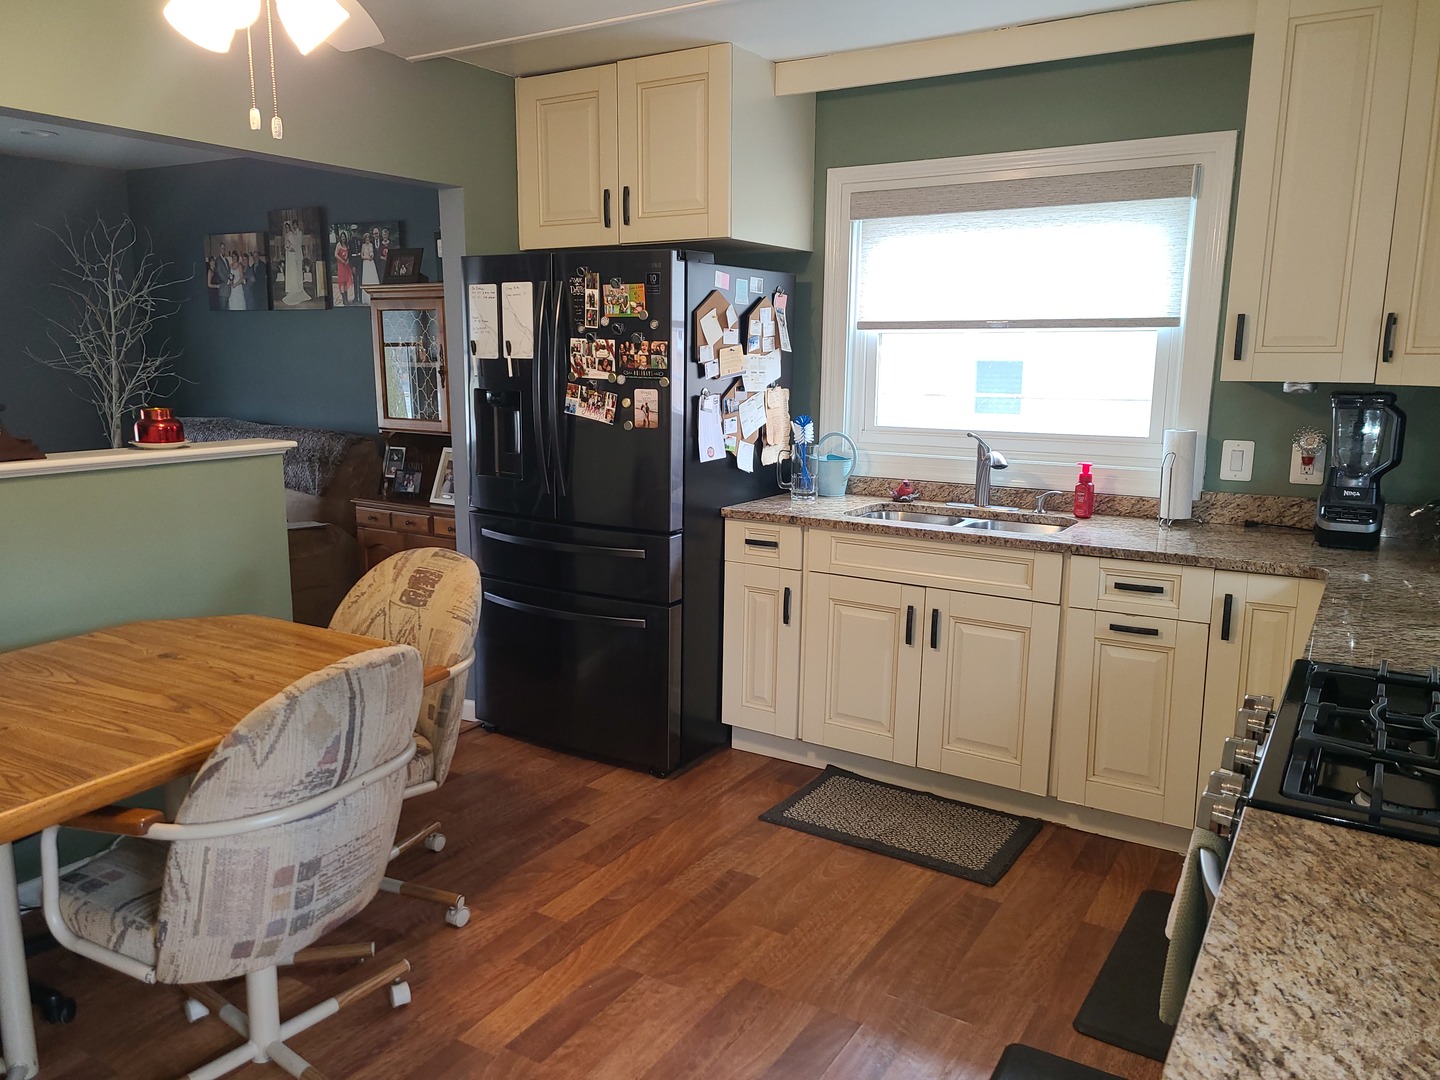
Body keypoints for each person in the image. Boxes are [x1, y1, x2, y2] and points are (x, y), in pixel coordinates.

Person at [282, 220, 309, 306]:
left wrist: (290, 247)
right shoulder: (290, 233)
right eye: (293, 225)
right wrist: (288, 247)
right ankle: (294, 288)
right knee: (293, 272)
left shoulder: (299, 233)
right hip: (291, 255)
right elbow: (287, 242)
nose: (294, 226)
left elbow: (298, 243)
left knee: (299, 274)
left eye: (295, 225)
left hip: (297, 254)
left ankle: (300, 289)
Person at [359, 234, 379, 303]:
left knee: (372, 277)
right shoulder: (363, 246)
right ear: (364, 239)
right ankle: (366, 298)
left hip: (371, 263)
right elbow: (362, 256)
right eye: (366, 238)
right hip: (366, 263)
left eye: (368, 237)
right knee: (367, 278)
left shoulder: (371, 245)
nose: (367, 239)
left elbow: (373, 253)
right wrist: (367, 258)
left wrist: (371, 256)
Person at [334, 230, 353, 306]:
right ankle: (344, 299)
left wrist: (348, 260)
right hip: (341, 265)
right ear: (340, 238)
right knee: (342, 282)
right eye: (342, 237)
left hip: (346, 265)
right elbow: (335, 254)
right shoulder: (339, 245)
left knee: (345, 281)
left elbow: (349, 254)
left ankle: (346, 298)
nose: (343, 238)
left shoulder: (347, 245)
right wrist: (342, 260)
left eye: (344, 236)